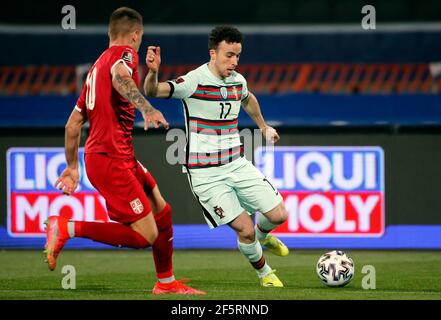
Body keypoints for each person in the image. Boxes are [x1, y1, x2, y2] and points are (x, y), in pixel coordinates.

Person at [44, 7, 205, 295]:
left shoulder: (95, 70)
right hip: (110, 159)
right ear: (135, 35)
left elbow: (72, 125)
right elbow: (121, 78)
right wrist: (147, 108)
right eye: (139, 38)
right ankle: (67, 228)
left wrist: (72, 166)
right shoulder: (125, 56)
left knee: (162, 212)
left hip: (116, 156)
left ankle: (166, 284)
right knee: (146, 234)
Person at [144, 26, 289, 287]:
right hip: (206, 175)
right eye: (228, 55)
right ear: (213, 53)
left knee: (279, 215)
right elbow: (153, 92)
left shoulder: (238, 80)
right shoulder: (193, 81)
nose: (233, 62)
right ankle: (265, 273)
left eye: (237, 56)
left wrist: (263, 127)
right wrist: (153, 73)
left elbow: (247, 99)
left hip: (236, 163)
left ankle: (264, 236)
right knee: (244, 229)